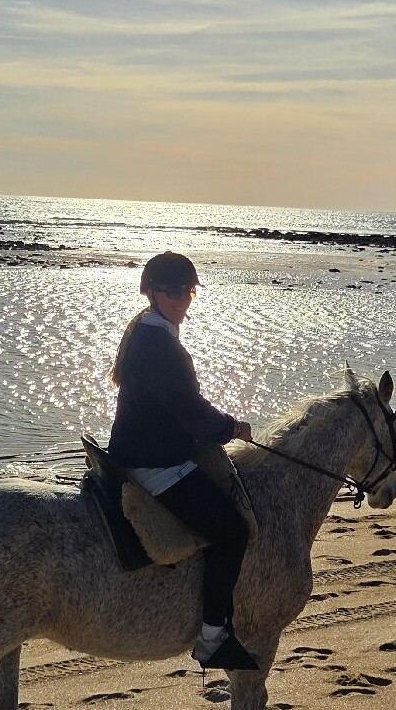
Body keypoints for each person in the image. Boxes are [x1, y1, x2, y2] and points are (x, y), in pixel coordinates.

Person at [108, 251, 259, 671]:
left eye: (187, 290)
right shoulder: (159, 344)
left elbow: (182, 407)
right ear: (152, 291)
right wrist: (231, 427)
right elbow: (191, 411)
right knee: (232, 531)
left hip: (143, 447)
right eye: (172, 290)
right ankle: (213, 636)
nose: (181, 298)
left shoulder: (151, 332)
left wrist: (218, 426)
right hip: (153, 462)